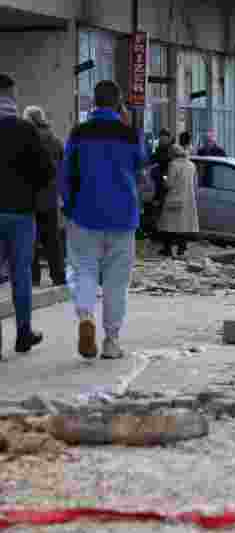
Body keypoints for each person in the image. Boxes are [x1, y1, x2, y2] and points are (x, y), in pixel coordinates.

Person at [61, 80, 146, 360]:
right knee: (116, 282)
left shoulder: (79, 133)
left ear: (93, 102)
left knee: (84, 270)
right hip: (123, 216)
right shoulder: (129, 134)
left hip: (85, 215)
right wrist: (129, 124)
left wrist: (69, 208)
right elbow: (140, 165)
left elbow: (66, 174)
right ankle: (111, 341)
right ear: (118, 102)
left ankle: (86, 316)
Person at [0, 73, 55, 356]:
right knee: (21, 274)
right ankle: (23, 333)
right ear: (11, 95)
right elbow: (47, 171)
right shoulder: (25, 129)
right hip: (21, 213)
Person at [23, 105, 66, 287]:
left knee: (30, 240)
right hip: (50, 196)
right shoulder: (55, 141)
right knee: (52, 240)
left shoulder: (26, 140)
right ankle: (58, 276)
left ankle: (34, 277)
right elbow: (63, 169)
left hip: (29, 197)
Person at [155, 144, 198, 258]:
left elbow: (169, 183)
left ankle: (167, 249)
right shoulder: (191, 165)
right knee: (184, 226)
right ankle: (182, 249)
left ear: (173, 154)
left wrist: (164, 179)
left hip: (174, 198)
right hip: (188, 199)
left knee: (168, 225)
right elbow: (195, 183)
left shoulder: (173, 164)